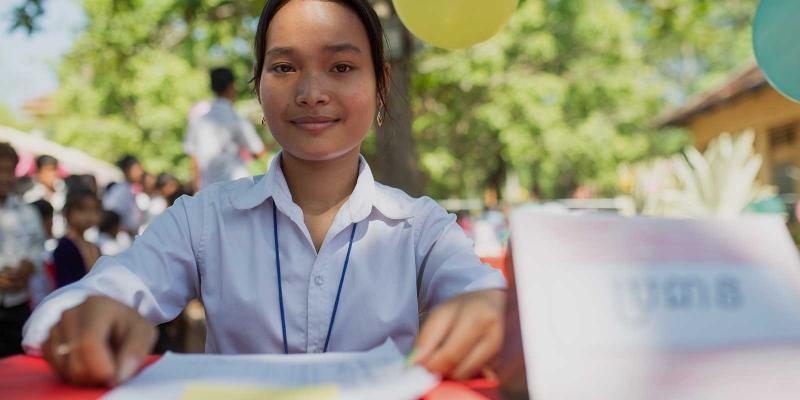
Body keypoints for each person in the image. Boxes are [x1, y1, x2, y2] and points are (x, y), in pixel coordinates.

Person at [23, 0, 506, 387]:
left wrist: (489, 309)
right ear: (258, 88)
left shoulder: (421, 227)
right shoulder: (202, 219)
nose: (311, 92)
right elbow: (62, 311)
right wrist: (83, 317)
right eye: (284, 67)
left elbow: (487, 298)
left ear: (380, 85)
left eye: (341, 66)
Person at [183, 66, 267, 191]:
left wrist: (197, 189)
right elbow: (259, 151)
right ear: (231, 86)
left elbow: (194, 159)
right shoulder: (238, 120)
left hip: (208, 191)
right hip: (237, 187)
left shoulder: (197, 122)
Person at [0, 143, 46, 356]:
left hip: (17, 302)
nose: (4, 177)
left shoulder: (27, 213)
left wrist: (29, 265)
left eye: (9, 170)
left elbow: (37, 248)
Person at [53, 190, 102, 289]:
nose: (89, 215)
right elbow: (66, 284)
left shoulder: (92, 245)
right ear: (67, 212)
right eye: (82, 209)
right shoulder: (65, 246)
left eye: (94, 209)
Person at [23, 155, 67, 237]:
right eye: (49, 170)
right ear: (39, 172)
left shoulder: (62, 191)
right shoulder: (31, 196)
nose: (53, 174)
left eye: (55, 170)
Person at [102, 155, 145, 235]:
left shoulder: (130, 190)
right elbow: (110, 214)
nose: (140, 172)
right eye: (136, 169)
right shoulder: (119, 191)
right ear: (126, 171)